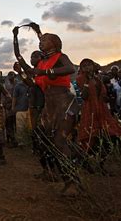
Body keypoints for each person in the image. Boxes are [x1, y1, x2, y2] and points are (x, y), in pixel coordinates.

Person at [28, 23, 77, 191]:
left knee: (59, 141)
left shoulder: (60, 56)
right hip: (50, 104)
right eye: (40, 41)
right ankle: (51, 172)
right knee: (43, 138)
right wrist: (38, 32)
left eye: (45, 40)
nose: (41, 42)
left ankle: (71, 182)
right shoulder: (44, 61)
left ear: (55, 44)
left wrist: (45, 74)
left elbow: (70, 68)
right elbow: (43, 46)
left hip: (64, 101)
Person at [76, 59, 121, 156]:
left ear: (93, 66)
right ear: (82, 69)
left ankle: (106, 155)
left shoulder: (98, 78)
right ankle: (91, 157)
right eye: (84, 66)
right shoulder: (80, 78)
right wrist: (87, 82)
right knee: (92, 133)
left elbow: (102, 94)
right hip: (90, 109)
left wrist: (106, 98)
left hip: (102, 108)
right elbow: (84, 96)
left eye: (89, 65)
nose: (87, 67)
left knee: (110, 131)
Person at [12, 79, 31, 145]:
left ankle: (28, 141)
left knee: (29, 126)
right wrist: (13, 107)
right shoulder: (18, 86)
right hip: (20, 109)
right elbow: (14, 97)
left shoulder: (31, 85)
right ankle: (21, 142)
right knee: (20, 127)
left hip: (30, 109)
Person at [4, 71, 18, 147]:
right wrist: (5, 104)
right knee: (8, 124)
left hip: (15, 107)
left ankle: (15, 140)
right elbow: (4, 95)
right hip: (8, 107)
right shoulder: (6, 85)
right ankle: (10, 139)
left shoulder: (17, 84)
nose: (11, 77)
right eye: (10, 75)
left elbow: (17, 96)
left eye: (12, 75)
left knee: (14, 124)